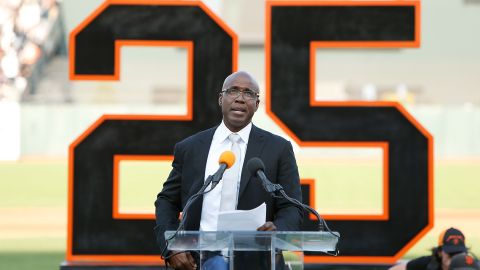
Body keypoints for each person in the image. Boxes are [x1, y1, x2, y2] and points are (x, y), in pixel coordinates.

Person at [154, 71, 303, 270]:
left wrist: (278, 232)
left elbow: (292, 206)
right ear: (220, 98)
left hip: (257, 262)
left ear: (257, 104)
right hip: (199, 262)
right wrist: (173, 246)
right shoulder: (190, 148)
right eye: (233, 91)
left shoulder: (278, 149)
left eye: (249, 93)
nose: (240, 98)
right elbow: (166, 201)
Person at [389, 227, 468, 270]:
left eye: (458, 254)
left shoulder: (471, 267)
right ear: (440, 252)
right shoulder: (428, 264)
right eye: (451, 254)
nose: (454, 259)